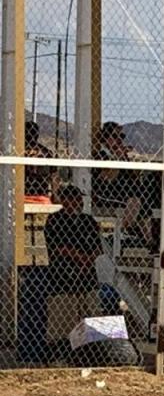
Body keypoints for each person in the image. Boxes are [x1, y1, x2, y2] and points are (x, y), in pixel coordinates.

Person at [43, 184, 103, 361]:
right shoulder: (55, 220)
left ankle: (90, 354)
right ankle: (60, 355)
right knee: (62, 320)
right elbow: (57, 248)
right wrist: (77, 256)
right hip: (62, 276)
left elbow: (97, 248)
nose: (78, 202)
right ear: (65, 201)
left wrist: (87, 259)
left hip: (87, 277)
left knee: (89, 314)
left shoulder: (88, 221)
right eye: (73, 199)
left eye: (79, 199)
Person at [25, 121, 55, 198]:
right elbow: (54, 176)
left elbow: (53, 175)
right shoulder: (46, 152)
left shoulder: (19, 151)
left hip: (25, 189)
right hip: (41, 191)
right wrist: (54, 193)